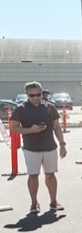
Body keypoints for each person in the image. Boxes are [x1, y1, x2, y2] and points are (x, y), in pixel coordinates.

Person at [9, 81, 66, 213]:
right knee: (33, 175)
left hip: (50, 146)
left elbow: (57, 127)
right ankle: (34, 203)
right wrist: (31, 130)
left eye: (38, 94)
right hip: (31, 148)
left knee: (50, 175)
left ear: (42, 93)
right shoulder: (21, 109)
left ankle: (53, 201)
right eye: (32, 95)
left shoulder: (50, 107)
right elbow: (14, 128)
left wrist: (62, 144)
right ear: (27, 95)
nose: (35, 97)